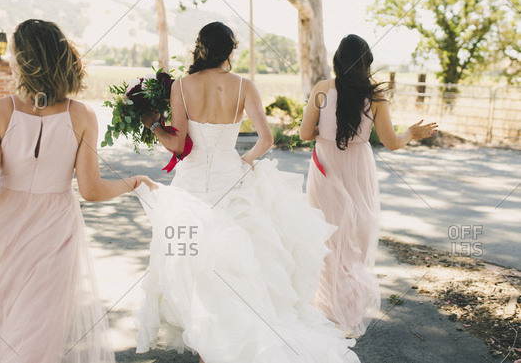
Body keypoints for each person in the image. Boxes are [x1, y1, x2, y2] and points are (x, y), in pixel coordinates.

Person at [0, 19, 155, 362]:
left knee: (13, 325)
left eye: (14, 54)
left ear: (25, 60)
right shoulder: (83, 115)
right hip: (56, 225)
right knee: (41, 328)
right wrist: (132, 182)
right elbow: (90, 190)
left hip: (4, 227)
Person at [136, 21, 360, 363]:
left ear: (200, 47)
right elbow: (266, 140)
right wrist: (243, 160)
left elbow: (178, 144)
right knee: (240, 263)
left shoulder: (182, 86)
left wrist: (151, 122)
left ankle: (206, 336)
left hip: (192, 183)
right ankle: (236, 338)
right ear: (230, 51)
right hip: (232, 180)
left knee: (193, 258)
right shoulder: (244, 86)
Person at [299, 33, 438, 337]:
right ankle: (347, 315)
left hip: (324, 172)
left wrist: (324, 127)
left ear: (338, 61)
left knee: (327, 240)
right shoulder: (376, 98)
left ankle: (324, 309)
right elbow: (391, 142)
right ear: (366, 65)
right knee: (355, 244)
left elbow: (303, 134)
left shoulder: (322, 90)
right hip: (358, 172)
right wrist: (411, 133)